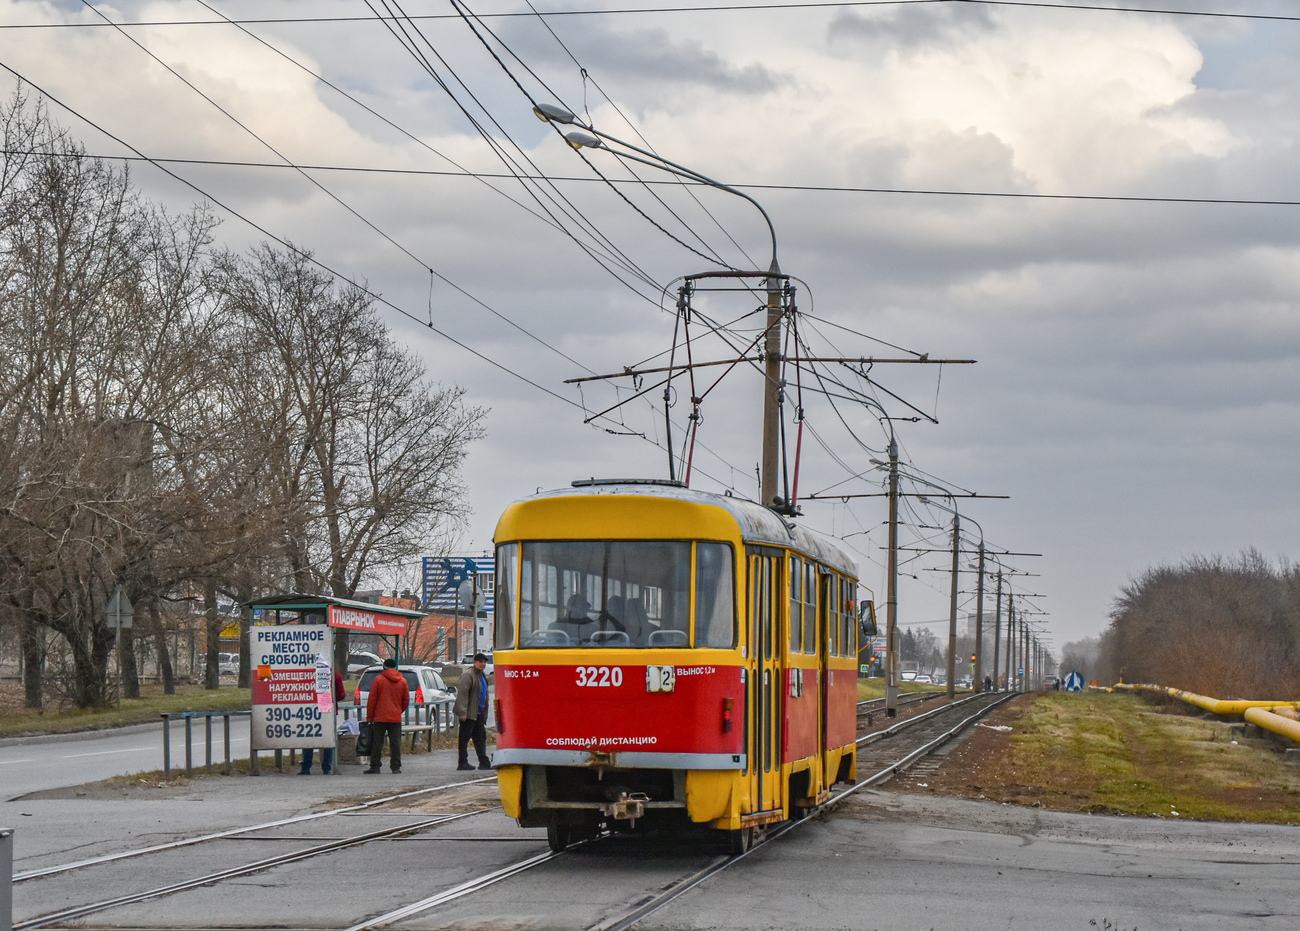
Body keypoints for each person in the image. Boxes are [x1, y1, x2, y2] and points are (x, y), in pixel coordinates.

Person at [365, 658, 409, 774]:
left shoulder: (378, 680)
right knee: (395, 743)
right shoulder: (403, 681)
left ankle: (375, 766)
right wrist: (398, 710)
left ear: (384, 666)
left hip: (380, 716)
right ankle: (396, 766)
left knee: (377, 742)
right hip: (395, 717)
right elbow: (406, 701)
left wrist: (370, 717)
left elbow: (372, 700)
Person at [299, 670, 346, 775]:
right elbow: (341, 695)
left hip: (310, 710)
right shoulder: (335, 675)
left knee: (309, 737)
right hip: (328, 709)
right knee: (328, 739)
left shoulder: (308, 673)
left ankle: (306, 767)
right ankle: (327, 767)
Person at [454, 652, 492, 771]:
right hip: (469, 713)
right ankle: (462, 762)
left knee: (480, 736)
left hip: (478, 713)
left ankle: (484, 762)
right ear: (475, 662)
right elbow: (462, 695)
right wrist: (462, 712)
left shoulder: (482, 676)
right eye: (480, 661)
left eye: (485, 662)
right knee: (464, 738)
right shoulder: (468, 675)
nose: (483, 664)